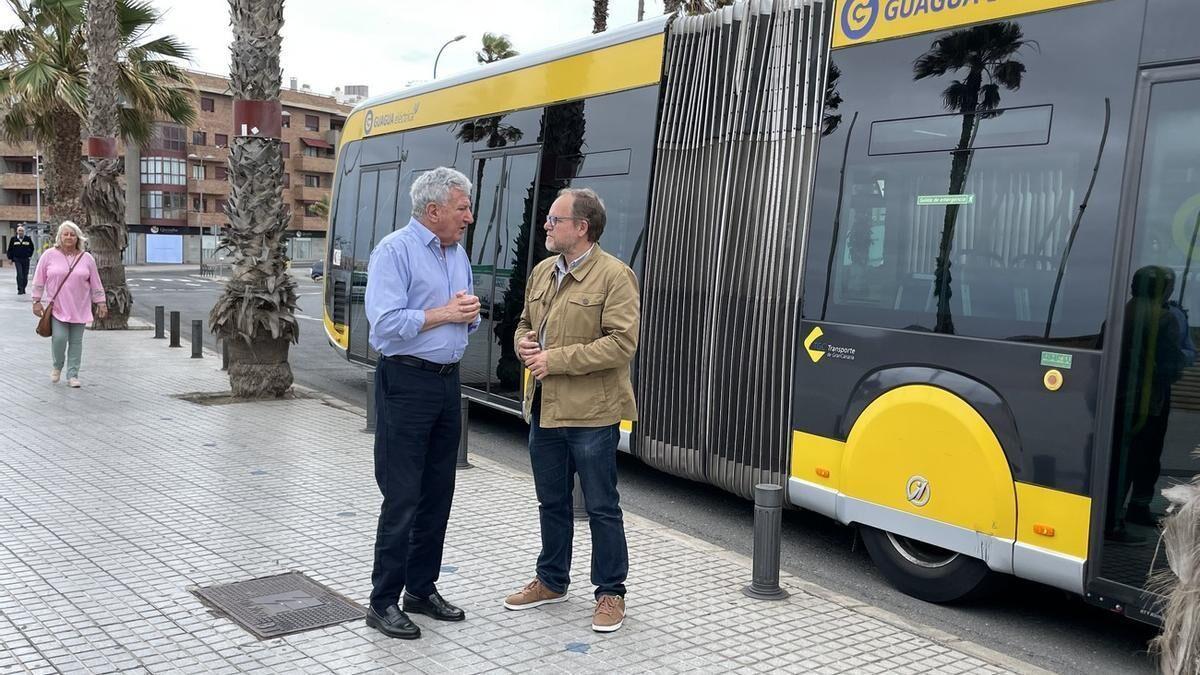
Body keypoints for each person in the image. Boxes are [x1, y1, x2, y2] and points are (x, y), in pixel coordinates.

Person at [503, 188, 640, 633]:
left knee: (601, 506)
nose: (546, 225)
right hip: (544, 408)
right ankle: (551, 580)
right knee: (552, 502)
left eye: (554, 219)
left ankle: (610, 593)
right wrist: (523, 343)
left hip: (593, 414)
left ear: (582, 227)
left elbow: (621, 344)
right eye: (548, 219)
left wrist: (555, 359)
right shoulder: (543, 271)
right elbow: (525, 323)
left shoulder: (616, 276)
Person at [363, 167, 480, 640]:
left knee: (438, 494)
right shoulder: (394, 251)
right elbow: (385, 326)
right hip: (406, 383)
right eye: (461, 208)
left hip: (447, 385)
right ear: (433, 212)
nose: (469, 217)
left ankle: (421, 589)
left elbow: (461, 316)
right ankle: (382, 601)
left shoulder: (458, 253)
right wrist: (446, 314)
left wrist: (465, 318)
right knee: (403, 496)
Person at [30, 221, 107, 388]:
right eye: (66, 234)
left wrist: (101, 302)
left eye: (72, 234)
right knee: (59, 338)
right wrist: (36, 301)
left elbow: (96, 282)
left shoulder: (87, 258)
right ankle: (57, 366)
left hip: (79, 307)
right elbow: (39, 279)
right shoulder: (48, 255)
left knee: (76, 342)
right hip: (57, 307)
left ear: (78, 237)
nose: (69, 237)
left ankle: (73, 374)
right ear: (60, 236)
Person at [6, 224, 34, 294]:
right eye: (19, 230)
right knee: (20, 274)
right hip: (17, 259)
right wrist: (10, 259)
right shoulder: (13, 239)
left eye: (22, 231)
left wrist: (29, 255)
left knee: (25, 275)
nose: (20, 232)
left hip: (26, 259)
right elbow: (10, 249)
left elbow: (32, 248)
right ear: (17, 231)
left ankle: (23, 288)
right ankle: (20, 289)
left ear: (24, 232)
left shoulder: (28, 239)